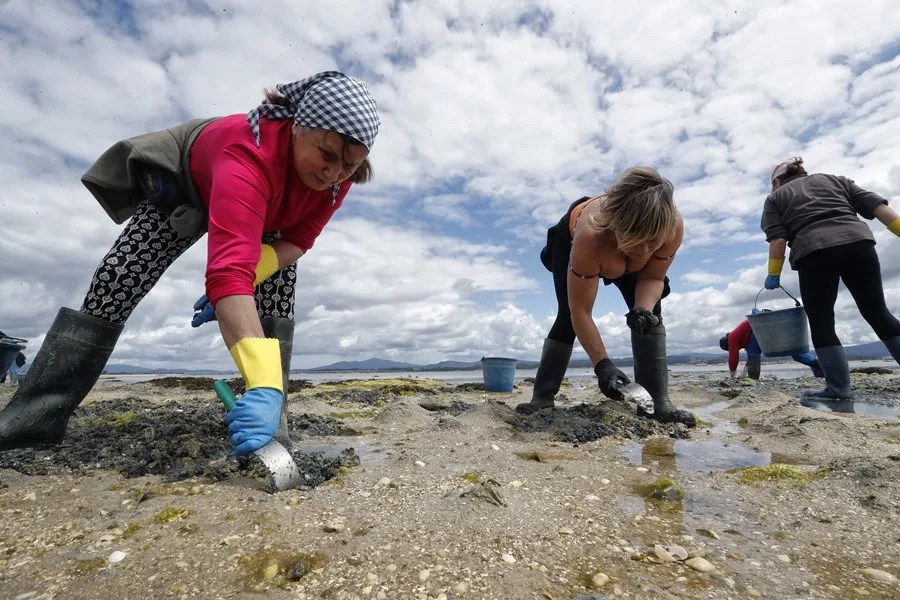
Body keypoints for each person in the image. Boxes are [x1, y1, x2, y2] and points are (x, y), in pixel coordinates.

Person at [0, 71, 380, 454]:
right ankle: (35, 418)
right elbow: (227, 272)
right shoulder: (247, 152)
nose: (334, 173)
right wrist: (234, 288)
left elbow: (299, 240)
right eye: (327, 155)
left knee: (277, 298)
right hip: (185, 186)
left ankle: (269, 425)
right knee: (118, 279)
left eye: (348, 165)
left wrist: (253, 274)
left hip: (268, 221)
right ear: (299, 126)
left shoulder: (337, 180)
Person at [516, 167, 696, 426]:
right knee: (567, 316)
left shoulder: (672, 227)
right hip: (573, 241)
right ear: (616, 226)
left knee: (650, 316)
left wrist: (642, 310)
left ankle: (657, 403)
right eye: (635, 241)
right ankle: (541, 398)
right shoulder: (591, 237)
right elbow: (580, 312)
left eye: (652, 242)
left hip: (618, 248)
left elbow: (653, 278)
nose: (643, 252)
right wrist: (603, 366)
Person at [761, 157, 900, 399]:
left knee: (822, 321)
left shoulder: (776, 197)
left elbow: (778, 240)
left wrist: (773, 274)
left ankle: (838, 389)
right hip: (859, 243)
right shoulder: (837, 181)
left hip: (814, 252)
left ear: (777, 181)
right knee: (878, 312)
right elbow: (879, 208)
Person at [719, 316, 823, 380]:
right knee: (794, 350)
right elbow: (750, 359)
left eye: (729, 349)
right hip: (774, 326)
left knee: (753, 353)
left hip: (759, 328)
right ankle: (824, 370)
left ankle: (753, 379)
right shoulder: (742, 337)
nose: (732, 349)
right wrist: (743, 374)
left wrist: (732, 376)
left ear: (727, 345)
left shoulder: (732, 338)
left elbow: (733, 358)